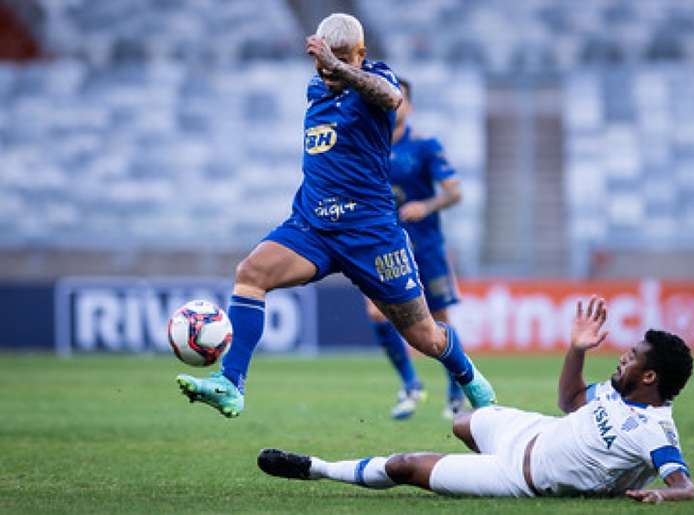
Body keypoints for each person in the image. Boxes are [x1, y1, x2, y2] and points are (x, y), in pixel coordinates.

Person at [175, 13, 496, 418]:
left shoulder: (378, 82)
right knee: (251, 274)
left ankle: (471, 382)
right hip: (312, 227)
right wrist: (332, 66)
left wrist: (339, 64)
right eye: (323, 60)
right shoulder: (317, 87)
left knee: (425, 336)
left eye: (341, 58)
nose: (328, 67)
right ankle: (230, 383)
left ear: (360, 55)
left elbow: (391, 99)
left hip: (371, 235)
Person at [258, 296, 694, 503]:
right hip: (533, 431)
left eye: (632, 357)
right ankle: (470, 441)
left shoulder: (654, 430)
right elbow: (570, 401)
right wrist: (577, 349)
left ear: (651, 375)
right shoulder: (618, 393)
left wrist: (662, 497)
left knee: (404, 466)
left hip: (517, 476)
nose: (623, 358)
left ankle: (315, 468)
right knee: (464, 422)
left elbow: (685, 486)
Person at [364, 77, 466, 420]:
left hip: (425, 245)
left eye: (400, 100)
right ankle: (410, 384)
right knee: (377, 313)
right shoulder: (367, 145)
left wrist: (427, 205)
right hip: (385, 246)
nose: (394, 106)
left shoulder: (425, 145)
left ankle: (456, 389)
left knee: (439, 320)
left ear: (408, 105)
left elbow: (455, 192)